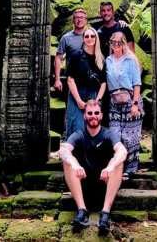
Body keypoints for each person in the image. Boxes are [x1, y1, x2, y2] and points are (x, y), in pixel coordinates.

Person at [60, 99, 127, 234]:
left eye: (96, 113)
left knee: (118, 162)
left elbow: (122, 151)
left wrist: (110, 167)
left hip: (104, 184)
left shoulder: (108, 134)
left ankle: (105, 214)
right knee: (67, 161)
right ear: (85, 116)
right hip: (83, 186)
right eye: (89, 113)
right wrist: (75, 164)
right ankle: (82, 211)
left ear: (101, 115)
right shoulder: (79, 134)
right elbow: (63, 150)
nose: (93, 116)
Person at [105, 31, 143, 177]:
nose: (116, 45)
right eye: (113, 42)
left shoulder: (130, 60)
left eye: (119, 42)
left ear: (124, 44)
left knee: (130, 137)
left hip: (130, 101)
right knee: (115, 135)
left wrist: (135, 104)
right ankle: (117, 167)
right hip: (114, 102)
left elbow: (137, 84)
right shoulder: (108, 60)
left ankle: (130, 169)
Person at [65, 27, 107, 138]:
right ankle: (71, 153)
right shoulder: (76, 55)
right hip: (76, 94)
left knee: (92, 126)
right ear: (83, 39)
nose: (89, 38)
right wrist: (78, 100)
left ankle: (88, 154)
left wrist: (98, 100)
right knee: (76, 127)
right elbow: (70, 79)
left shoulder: (101, 59)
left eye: (92, 36)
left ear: (96, 38)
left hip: (93, 95)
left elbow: (103, 83)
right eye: (86, 36)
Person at [54, 8, 88, 91]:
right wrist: (57, 79)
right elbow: (58, 58)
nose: (79, 20)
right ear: (73, 20)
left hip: (88, 79)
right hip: (71, 79)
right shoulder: (66, 38)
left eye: (81, 17)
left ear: (86, 20)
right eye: (77, 17)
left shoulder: (91, 36)